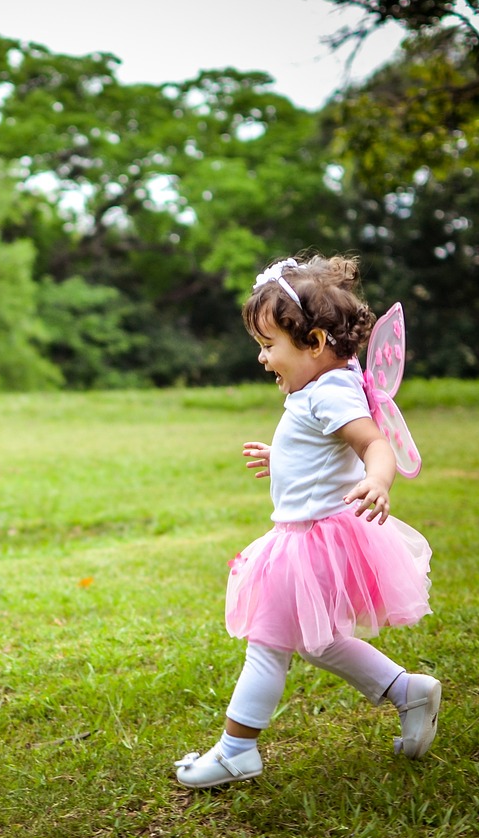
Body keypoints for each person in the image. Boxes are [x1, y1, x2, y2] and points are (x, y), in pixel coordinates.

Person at [175, 254, 440, 789]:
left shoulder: (331, 391)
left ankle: (236, 750)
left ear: (314, 343)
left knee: (266, 644)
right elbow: (325, 450)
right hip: (308, 538)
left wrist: (379, 481)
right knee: (317, 642)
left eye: (269, 345)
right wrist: (285, 458)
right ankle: (406, 690)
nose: (262, 358)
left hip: (313, 542)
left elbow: (373, 444)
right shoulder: (320, 387)